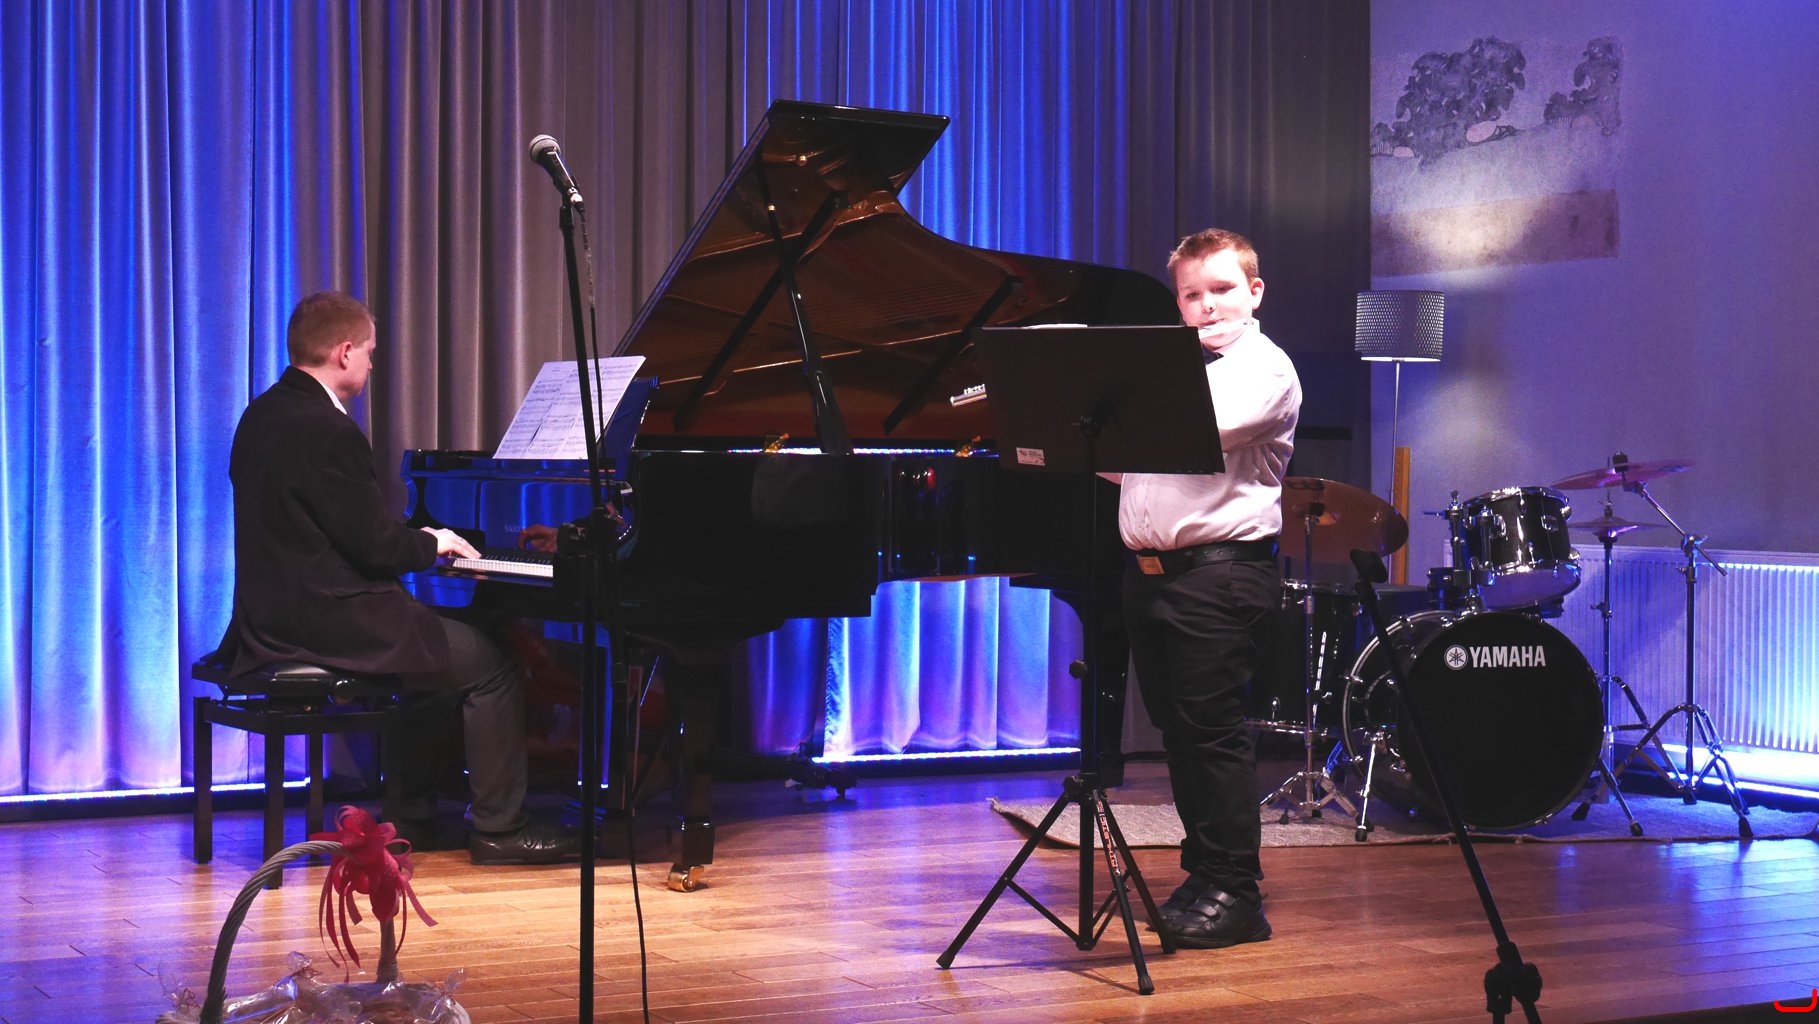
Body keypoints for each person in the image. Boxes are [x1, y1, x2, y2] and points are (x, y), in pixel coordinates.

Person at [219, 290, 583, 865]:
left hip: (274, 615)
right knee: (492, 664)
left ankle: (412, 817)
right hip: (328, 618)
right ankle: (501, 829)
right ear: (343, 352)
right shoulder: (328, 429)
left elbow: (333, 532)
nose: (371, 364)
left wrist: (419, 541)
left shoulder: (261, 415)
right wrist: (433, 542)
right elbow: (375, 546)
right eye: (368, 352)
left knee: (437, 657)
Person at [1118, 229, 1300, 948]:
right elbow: (1131, 463)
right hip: (1155, 578)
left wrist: (1105, 414)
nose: (1206, 305)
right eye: (1191, 294)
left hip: (1219, 577)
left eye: (1221, 289)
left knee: (1214, 738)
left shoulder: (1264, 369)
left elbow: (1180, 434)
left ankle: (1237, 894)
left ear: (1254, 291)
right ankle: (1203, 877)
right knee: (1181, 737)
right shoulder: (1175, 374)